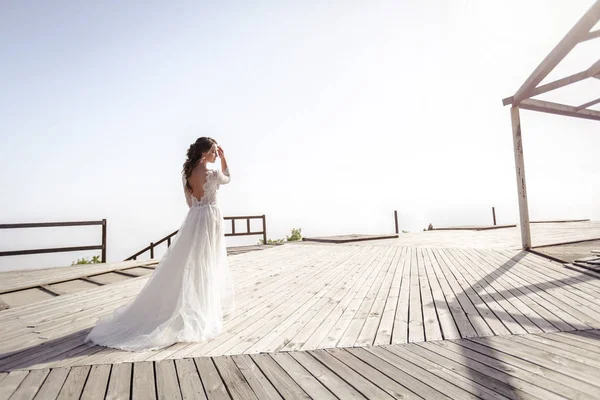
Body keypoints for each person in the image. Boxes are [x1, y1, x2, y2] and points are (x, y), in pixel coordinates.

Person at [85, 137, 234, 351]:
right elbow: (228, 177)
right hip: (210, 218)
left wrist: (199, 209)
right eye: (213, 150)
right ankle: (201, 309)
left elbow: (190, 202)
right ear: (204, 152)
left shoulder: (187, 173)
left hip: (194, 219)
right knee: (206, 262)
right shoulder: (212, 172)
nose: (215, 153)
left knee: (189, 263)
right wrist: (224, 158)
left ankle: (192, 305)